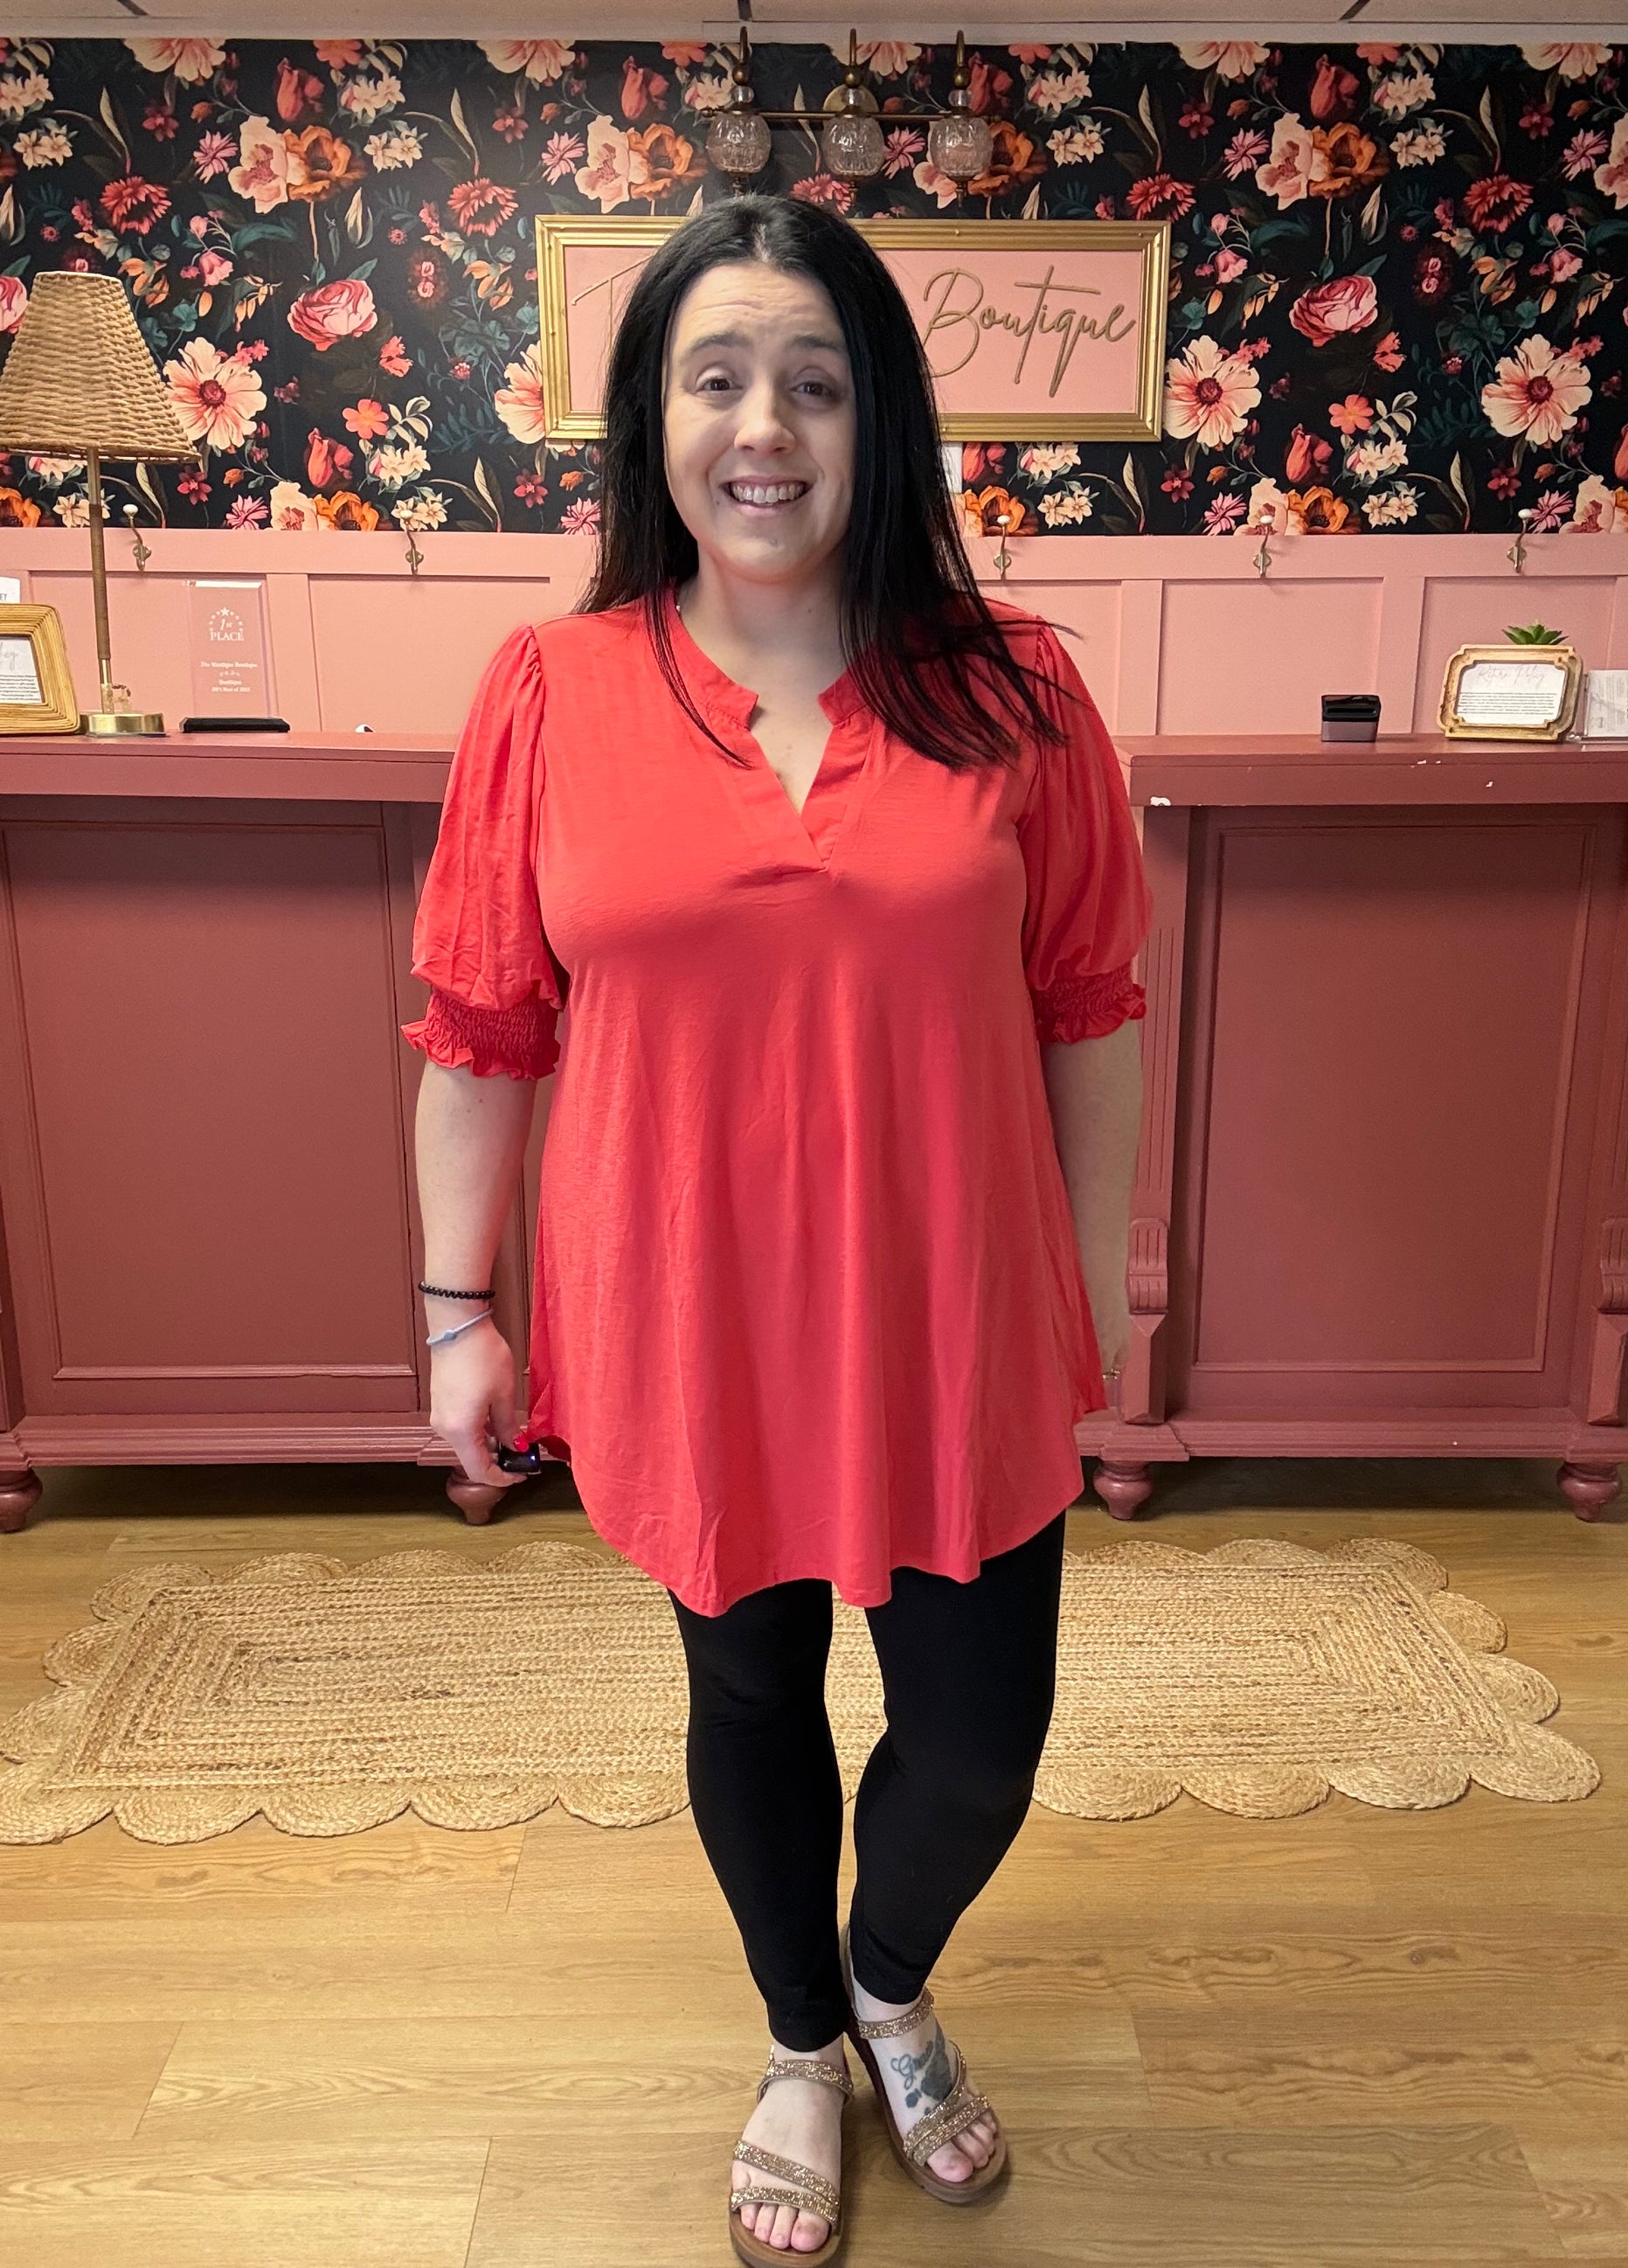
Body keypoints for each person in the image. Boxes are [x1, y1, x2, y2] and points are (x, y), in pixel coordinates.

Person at [405, 192, 1152, 2265]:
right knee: (750, 1701)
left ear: (876, 418)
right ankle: (801, 2039)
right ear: (650, 422)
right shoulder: (550, 688)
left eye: (813, 383)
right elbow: (478, 1031)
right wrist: (460, 1309)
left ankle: (890, 1978)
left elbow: (1088, 1013)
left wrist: (1095, 1293)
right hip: (684, 1321)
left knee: (977, 1747)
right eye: (714, 378)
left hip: (955, 1315)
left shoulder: (1015, 689)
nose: (762, 427)